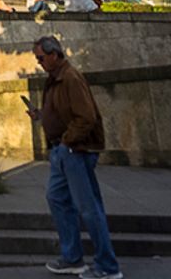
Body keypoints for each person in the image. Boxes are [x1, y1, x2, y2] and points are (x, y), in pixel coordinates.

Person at [28, 36, 122, 279]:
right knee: (56, 197)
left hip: (75, 151)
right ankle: (72, 258)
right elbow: (60, 112)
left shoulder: (70, 78)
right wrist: (40, 115)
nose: (38, 62)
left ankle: (107, 266)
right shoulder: (55, 79)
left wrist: (69, 142)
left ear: (54, 54)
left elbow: (86, 117)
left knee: (89, 208)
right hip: (62, 150)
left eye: (40, 58)